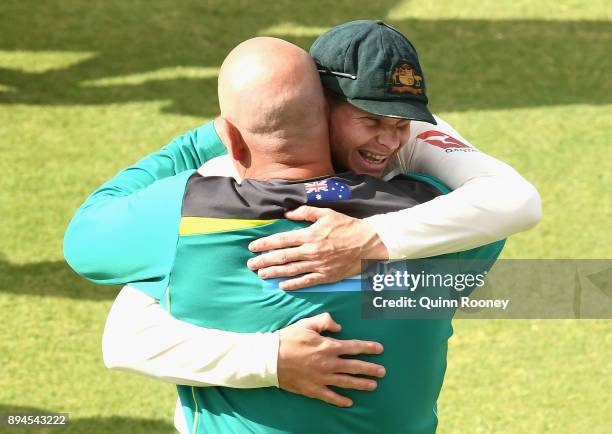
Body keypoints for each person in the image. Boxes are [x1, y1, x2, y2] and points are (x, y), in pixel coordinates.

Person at [64, 20, 541, 407]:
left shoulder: (192, 210)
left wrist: (370, 241)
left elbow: (125, 340)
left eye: (403, 125)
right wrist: (274, 358)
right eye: (371, 120)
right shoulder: (440, 210)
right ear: (320, 107)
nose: (390, 141)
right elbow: (543, 257)